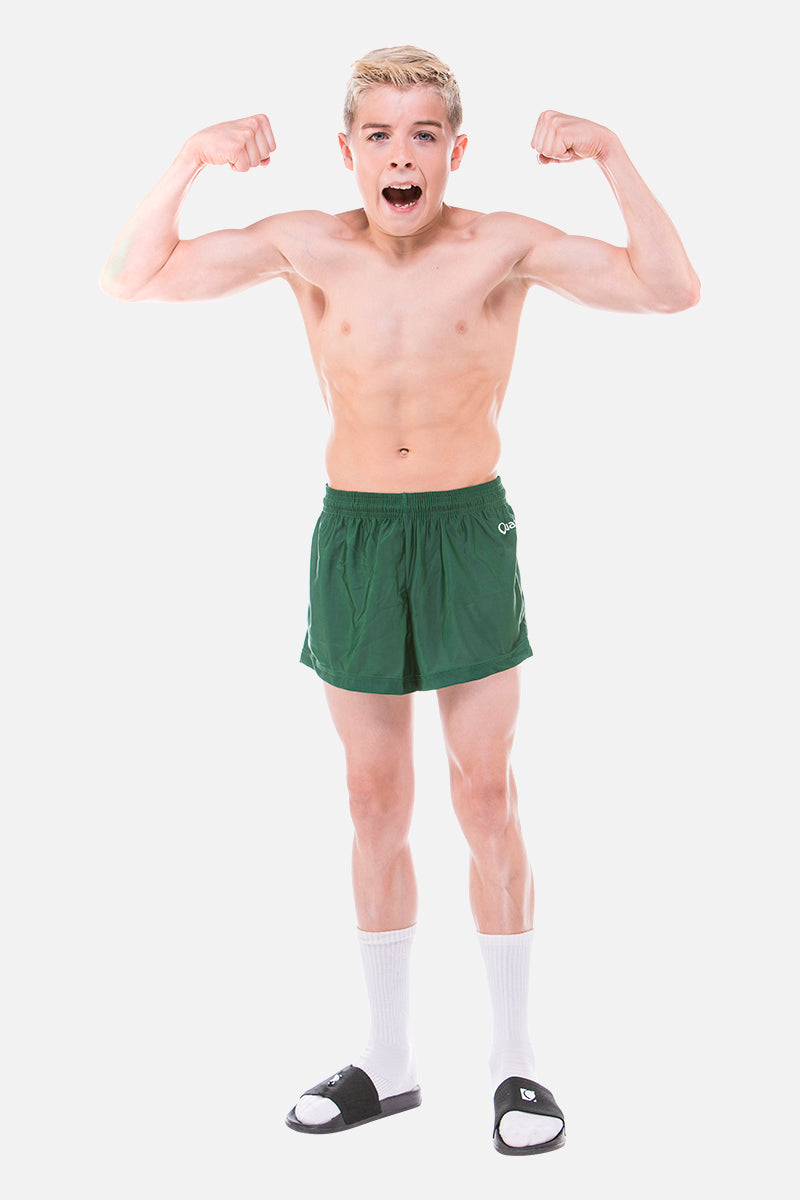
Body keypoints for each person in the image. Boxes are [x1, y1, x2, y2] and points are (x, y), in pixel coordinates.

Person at [100, 45, 699, 1155]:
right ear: (350, 151)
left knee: (486, 798)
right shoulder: (309, 243)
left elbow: (670, 288)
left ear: (454, 150)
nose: (400, 154)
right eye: (379, 134)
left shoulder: (500, 244)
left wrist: (612, 153)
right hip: (357, 536)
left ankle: (515, 1062)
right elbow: (133, 276)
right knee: (373, 804)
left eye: (423, 134)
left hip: (466, 531)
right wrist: (189, 155)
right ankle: (389, 1061)